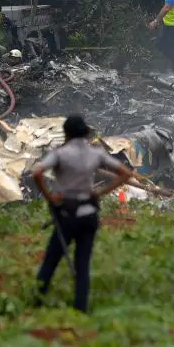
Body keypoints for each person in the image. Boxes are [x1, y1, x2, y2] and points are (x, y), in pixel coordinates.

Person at [31, 116, 132, 313]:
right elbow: (125, 173)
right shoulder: (96, 153)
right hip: (89, 213)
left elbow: (37, 173)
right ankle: (81, 307)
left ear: (66, 133)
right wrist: (100, 193)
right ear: (86, 132)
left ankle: (37, 301)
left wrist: (50, 197)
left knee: (52, 258)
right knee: (83, 263)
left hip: (68, 214)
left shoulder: (60, 153)